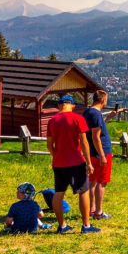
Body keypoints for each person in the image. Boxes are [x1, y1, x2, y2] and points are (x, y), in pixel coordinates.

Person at [47, 94, 101, 234]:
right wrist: (89, 163)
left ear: (59, 105)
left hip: (58, 163)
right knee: (83, 191)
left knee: (58, 194)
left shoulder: (52, 120)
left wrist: (56, 156)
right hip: (76, 162)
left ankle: (62, 226)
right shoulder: (78, 118)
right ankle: (86, 226)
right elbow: (84, 143)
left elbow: (49, 145)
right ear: (72, 106)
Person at [83, 90, 117, 220]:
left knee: (92, 181)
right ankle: (99, 212)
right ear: (103, 100)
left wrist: (108, 118)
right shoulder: (96, 114)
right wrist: (102, 155)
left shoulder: (87, 112)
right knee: (101, 182)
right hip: (100, 153)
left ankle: (91, 209)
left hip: (91, 152)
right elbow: (96, 136)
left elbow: (97, 128)